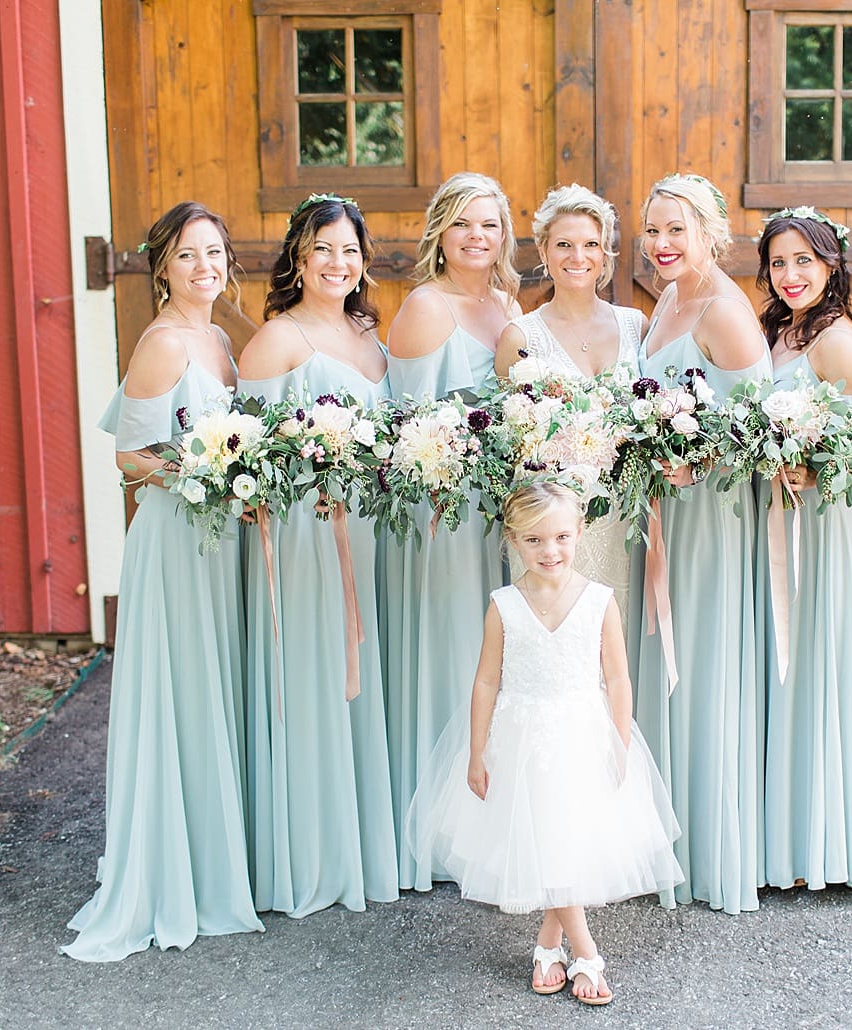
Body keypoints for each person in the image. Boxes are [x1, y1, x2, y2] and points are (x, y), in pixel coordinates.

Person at [64, 201, 262, 961]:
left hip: (218, 542)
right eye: (187, 256)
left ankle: (214, 857)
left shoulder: (216, 337)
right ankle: (171, 872)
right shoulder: (161, 344)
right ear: (161, 269)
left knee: (212, 691)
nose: (204, 267)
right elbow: (129, 460)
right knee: (181, 692)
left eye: (213, 253)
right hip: (176, 540)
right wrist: (208, 472)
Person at [407, 481, 682, 1006]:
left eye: (560, 537)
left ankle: (551, 945)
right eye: (533, 541)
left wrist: (620, 744)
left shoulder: (600, 602)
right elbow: (487, 680)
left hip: (583, 734)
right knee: (553, 840)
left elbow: (618, 680)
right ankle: (585, 952)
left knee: (566, 840)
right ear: (512, 540)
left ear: (580, 532)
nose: (549, 551)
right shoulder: (504, 606)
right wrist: (477, 750)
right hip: (520, 741)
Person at [236, 194, 397, 916]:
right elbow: (248, 450)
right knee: (313, 676)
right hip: (304, 534)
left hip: (367, 530)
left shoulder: (368, 336)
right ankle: (310, 853)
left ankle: (360, 842)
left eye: (350, 250)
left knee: (360, 678)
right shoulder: (278, 340)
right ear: (298, 259)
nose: (338, 263)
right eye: (323, 249)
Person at [627, 173, 770, 914]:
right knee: (664, 659)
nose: (661, 244)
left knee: (702, 664)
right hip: (662, 518)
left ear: (712, 232)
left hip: (708, 519)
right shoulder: (666, 304)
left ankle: (708, 849)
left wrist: (700, 457)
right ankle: (659, 839)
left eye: (676, 229)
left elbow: (762, 428)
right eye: (652, 230)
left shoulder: (724, 312)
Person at [383, 172, 521, 890]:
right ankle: (435, 830)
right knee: (452, 649)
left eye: (490, 225)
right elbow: (402, 427)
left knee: (494, 661)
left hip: (500, 510)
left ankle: (488, 813)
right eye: (464, 223)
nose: (477, 236)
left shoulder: (504, 303)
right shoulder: (424, 307)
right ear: (440, 230)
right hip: (442, 508)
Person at [755, 208, 852, 892]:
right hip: (773, 520)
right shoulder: (776, 330)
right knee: (781, 667)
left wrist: (818, 468)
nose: (790, 274)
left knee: (812, 668)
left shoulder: (833, 338)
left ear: (830, 266)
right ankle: (785, 837)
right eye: (778, 262)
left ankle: (817, 848)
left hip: (816, 528)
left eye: (804, 260)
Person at [495, 184, 646, 623]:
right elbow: (512, 442)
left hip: (625, 518)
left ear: (605, 253)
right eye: (564, 244)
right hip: (551, 533)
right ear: (544, 250)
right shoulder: (520, 338)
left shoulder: (636, 326)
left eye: (590, 245)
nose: (577, 257)